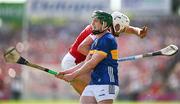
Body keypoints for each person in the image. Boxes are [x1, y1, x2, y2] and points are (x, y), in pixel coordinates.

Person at [60, 11, 148, 95]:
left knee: (91, 96)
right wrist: (101, 58)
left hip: (79, 62)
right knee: (94, 92)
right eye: (120, 28)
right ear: (115, 24)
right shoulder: (99, 30)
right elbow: (82, 48)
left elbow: (127, 28)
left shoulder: (107, 26)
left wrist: (138, 31)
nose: (121, 31)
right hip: (74, 62)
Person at [57, 10, 119, 104]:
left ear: (104, 24)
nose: (92, 23)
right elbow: (86, 62)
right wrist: (66, 72)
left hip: (106, 84)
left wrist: (72, 75)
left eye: (96, 21)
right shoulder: (95, 42)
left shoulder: (108, 39)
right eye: (92, 20)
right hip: (93, 84)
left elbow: (91, 63)